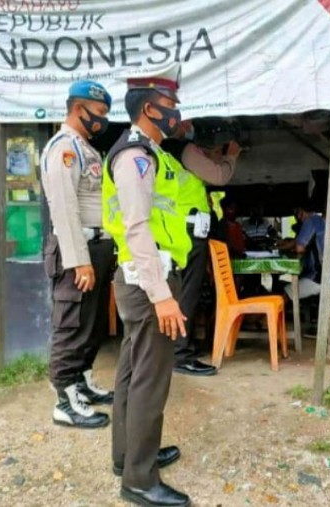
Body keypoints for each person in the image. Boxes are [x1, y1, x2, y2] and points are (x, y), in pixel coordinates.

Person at [102, 67, 191, 506]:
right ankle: (139, 479)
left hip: (138, 277)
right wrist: (163, 295)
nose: (176, 111)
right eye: (170, 103)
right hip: (146, 280)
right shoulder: (135, 156)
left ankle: (128, 456)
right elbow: (137, 228)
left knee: (133, 372)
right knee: (149, 381)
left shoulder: (145, 152)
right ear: (149, 108)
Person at [40, 80, 114, 429]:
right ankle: (64, 401)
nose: (102, 120)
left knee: (92, 323)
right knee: (70, 325)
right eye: (99, 113)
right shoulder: (64, 148)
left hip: (95, 246)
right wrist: (79, 259)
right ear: (77, 109)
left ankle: (81, 382)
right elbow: (64, 207)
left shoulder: (85, 147)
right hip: (76, 249)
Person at [161, 124, 241, 377]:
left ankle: (178, 349)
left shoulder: (163, 151)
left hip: (173, 231)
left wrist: (210, 155)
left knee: (179, 292)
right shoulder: (183, 149)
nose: (191, 127)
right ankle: (180, 354)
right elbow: (218, 176)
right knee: (187, 293)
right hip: (187, 233)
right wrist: (231, 157)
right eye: (187, 122)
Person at [279, 201, 330, 300]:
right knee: (299, 279)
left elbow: (299, 248)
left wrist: (292, 247)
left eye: (298, 212)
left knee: (285, 293)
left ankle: (271, 312)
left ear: (304, 211)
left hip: (326, 279)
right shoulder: (319, 220)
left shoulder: (310, 221)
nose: (297, 216)